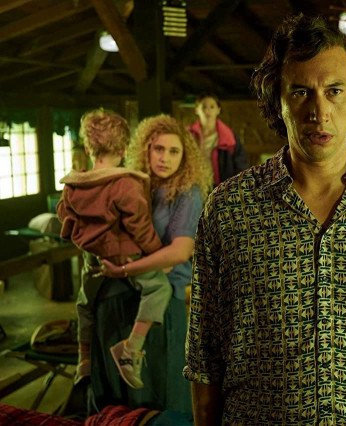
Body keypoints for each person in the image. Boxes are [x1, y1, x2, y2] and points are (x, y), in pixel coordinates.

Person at [184, 14, 346, 426]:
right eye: (301, 92)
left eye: (334, 91)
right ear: (278, 101)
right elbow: (205, 352)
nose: (319, 112)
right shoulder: (230, 209)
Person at [92, 114, 210, 417]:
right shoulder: (132, 184)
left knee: (161, 390)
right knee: (120, 393)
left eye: (174, 151)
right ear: (145, 149)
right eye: (159, 149)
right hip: (124, 293)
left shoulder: (187, 192)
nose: (165, 158)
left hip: (163, 299)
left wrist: (124, 269)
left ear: (184, 157)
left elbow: (180, 251)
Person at [56, 109, 171, 389]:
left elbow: (63, 214)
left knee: (84, 303)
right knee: (160, 288)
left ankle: (84, 359)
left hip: (92, 257)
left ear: (88, 148)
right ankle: (131, 349)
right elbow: (140, 227)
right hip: (123, 255)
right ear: (123, 148)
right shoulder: (125, 183)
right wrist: (157, 255)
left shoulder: (74, 185)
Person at [188, 92, 249, 185]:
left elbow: (241, 164)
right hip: (194, 184)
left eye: (212, 107)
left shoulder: (230, 137)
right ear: (197, 110)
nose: (208, 111)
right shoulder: (188, 135)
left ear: (218, 110)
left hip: (221, 185)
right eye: (204, 107)